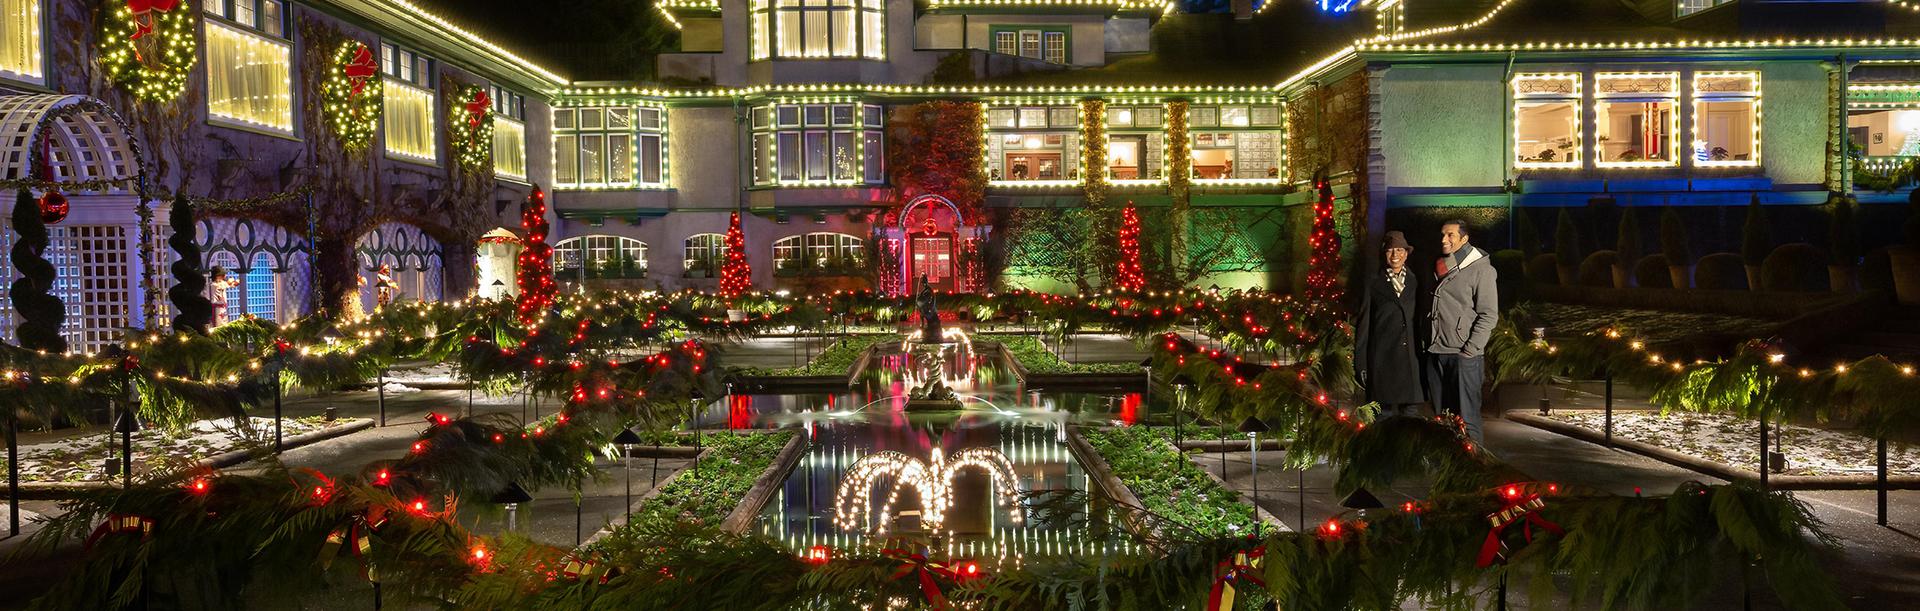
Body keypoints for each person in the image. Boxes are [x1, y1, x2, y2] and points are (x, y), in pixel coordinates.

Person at [1424, 220, 1499, 442]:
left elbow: (1489, 314)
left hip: (1463, 355)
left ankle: (1475, 468)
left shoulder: (1481, 269)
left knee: (1467, 419)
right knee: (1443, 419)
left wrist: (1470, 350)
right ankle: (1449, 468)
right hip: (1437, 351)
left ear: (1464, 239)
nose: (1443, 240)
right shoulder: (1440, 265)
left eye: (1450, 235)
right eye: (1442, 234)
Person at [1354, 231, 1425, 418]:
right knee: (1382, 416)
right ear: (1383, 253)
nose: (1395, 255)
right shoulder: (1373, 283)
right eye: (1390, 250)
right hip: (1382, 360)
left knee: (1410, 418)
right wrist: (1360, 363)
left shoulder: (1415, 281)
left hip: (1409, 360)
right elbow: (1363, 326)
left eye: (1400, 250)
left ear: (1406, 253)